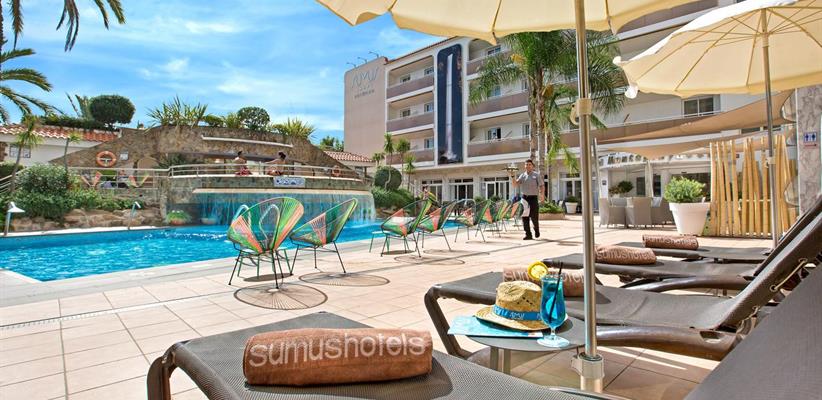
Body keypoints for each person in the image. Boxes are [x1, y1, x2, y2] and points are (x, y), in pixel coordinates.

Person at [509, 159, 544, 240]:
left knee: (534, 217)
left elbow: (541, 185)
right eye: (526, 164)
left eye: (529, 164)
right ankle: (528, 234)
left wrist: (542, 194)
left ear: (532, 166)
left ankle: (536, 229)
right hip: (524, 198)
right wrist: (512, 176)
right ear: (524, 166)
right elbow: (515, 184)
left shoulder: (536, 175)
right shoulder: (522, 175)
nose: (528, 166)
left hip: (533, 198)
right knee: (524, 217)